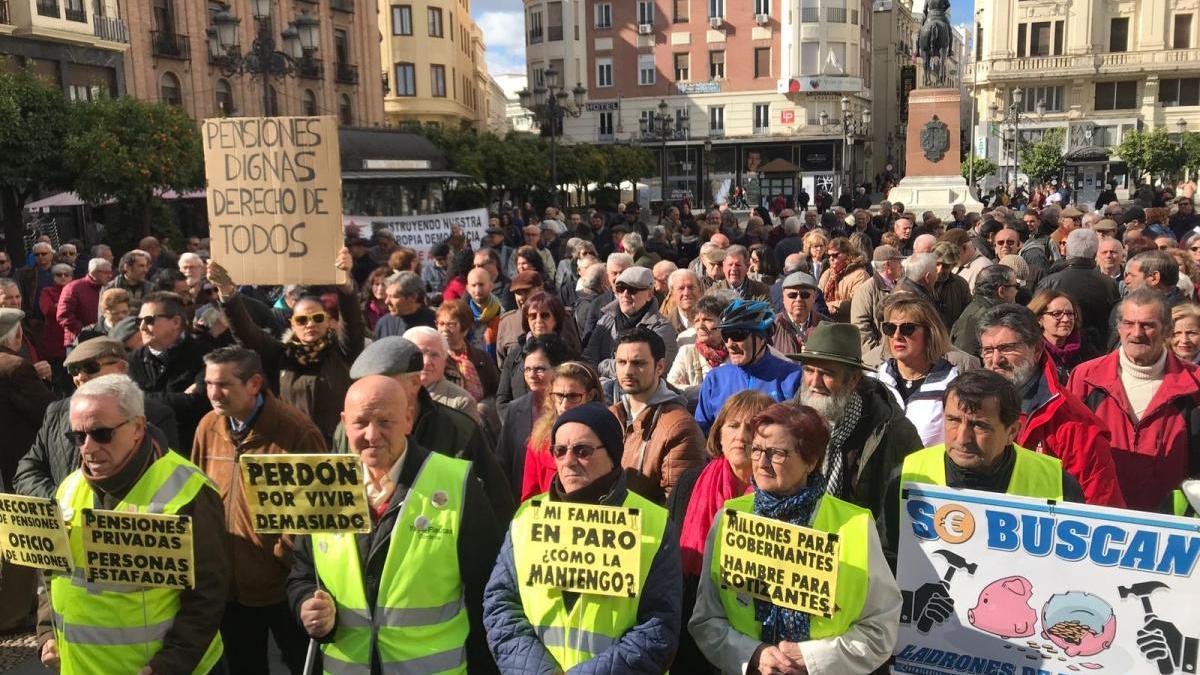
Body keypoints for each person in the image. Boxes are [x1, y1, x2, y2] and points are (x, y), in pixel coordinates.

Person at [288, 376, 503, 674]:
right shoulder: (324, 486)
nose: (372, 435)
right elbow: (303, 573)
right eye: (360, 422)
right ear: (343, 422)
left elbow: (487, 589)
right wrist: (305, 606)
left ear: (408, 419)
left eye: (385, 422)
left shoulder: (456, 483)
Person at [690, 403, 902, 674]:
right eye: (756, 450)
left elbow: (881, 628)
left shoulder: (855, 526)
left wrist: (812, 659)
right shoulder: (729, 518)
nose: (762, 463)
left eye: (777, 453)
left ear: (811, 462)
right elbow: (706, 620)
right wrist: (753, 654)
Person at [40, 374, 228, 675]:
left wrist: (169, 665)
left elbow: (208, 595)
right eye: (77, 436)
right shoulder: (69, 487)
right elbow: (53, 570)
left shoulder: (189, 490)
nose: (87, 447)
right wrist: (46, 631)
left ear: (138, 428)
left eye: (101, 434)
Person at [483, 402, 682, 674]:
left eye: (582, 451)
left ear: (612, 454)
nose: (568, 461)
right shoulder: (528, 516)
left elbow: (658, 627)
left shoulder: (653, 523)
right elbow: (500, 606)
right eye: (559, 451)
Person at [191, 347, 321, 674]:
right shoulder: (207, 426)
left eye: (223, 385)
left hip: (283, 583)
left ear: (254, 384)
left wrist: (283, 552)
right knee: (242, 665)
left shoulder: (296, 431)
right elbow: (197, 494)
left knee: (301, 662)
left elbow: (317, 507)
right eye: (208, 383)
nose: (213, 394)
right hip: (228, 585)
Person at [880, 370, 1085, 567]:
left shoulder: (1057, 483)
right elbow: (889, 560)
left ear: (1012, 431)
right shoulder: (907, 475)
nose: (962, 438)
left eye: (979, 426)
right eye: (953, 420)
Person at [332, 336, 515, 521]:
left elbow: (496, 506)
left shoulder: (458, 431)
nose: (371, 435)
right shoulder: (348, 431)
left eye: (386, 382)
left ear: (414, 382)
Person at [976, 304, 1126, 507]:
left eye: (1007, 348)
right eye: (988, 350)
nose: (996, 360)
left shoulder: (1074, 424)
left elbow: (1099, 511)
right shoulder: (968, 406)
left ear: (1037, 349)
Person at [209, 251, 365, 444]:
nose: (310, 324)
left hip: (336, 447)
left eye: (317, 318)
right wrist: (227, 294)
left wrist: (345, 284)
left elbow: (352, 321)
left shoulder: (343, 351)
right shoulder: (281, 354)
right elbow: (246, 333)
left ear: (327, 322)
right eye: (302, 320)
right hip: (292, 446)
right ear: (292, 324)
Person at [667, 391, 773, 671]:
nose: (741, 436)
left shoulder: (780, 497)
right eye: (733, 426)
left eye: (752, 427)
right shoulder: (689, 483)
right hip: (690, 625)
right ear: (719, 433)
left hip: (754, 635)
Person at [1069, 288, 1200, 511]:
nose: (1136, 333)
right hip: (1099, 520)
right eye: (1129, 323)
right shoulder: (1086, 377)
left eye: (1147, 325)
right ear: (1118, 327)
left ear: (1167, 330)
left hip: (1168, 525)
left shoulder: (1194, 384)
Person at [14, 337, 179, 499]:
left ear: (121, 368)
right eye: (74, 370)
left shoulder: (155, 414)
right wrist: (63, 501)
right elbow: (27, 471)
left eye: (90, 367)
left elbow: (163, 479)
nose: (81, 376)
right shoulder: (55, 413)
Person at [792, 322, 924, 513]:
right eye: (809, 371)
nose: (814, 382)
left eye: (826, 373)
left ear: (853, 380)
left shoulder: (890, 428)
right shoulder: (787, 421)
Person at [609, 327, 706, 503]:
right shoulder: (612, 416)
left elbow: (677, 507)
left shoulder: (679, 427)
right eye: (622, 362)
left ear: (660, 366)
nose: (628, 371)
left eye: (638, 363)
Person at [695, 300, 803, 434]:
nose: (729, 344)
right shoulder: (714, 379)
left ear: (762, 338)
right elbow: (701, 434)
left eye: (737, 335)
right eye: (725, 335)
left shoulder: (793, 377)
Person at [494, 334, 577, 503]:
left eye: (539, 369)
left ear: (558, 368)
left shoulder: (572, 408)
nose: (532, 375)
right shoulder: (515, 409)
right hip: (522, 503)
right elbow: (502, 462)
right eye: (527, 369)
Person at [872, 294, 964, 446]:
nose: (897, 336)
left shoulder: (952, 385)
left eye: (907, 329)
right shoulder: (875, 381)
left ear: (929, 333)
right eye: (890, 328)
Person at [127, 291, 213, 450]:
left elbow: (200, 403)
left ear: (175, 322)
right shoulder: (132, 361)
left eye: (149, 320)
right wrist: (181, 398)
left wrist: (143, 398)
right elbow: (127, 403)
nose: (142, 327)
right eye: (139, 321)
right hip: (146, 450)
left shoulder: (204, 356)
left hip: (191, 447)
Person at [520, 361, 604, 501]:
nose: (564, 405)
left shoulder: (606, 435)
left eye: (573, 396)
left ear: (591, 395)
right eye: (559, 396)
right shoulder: (539, 440)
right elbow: (530, 498)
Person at [1035, 228, 1120, 355]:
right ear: (1095, 253)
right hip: (1098, 349)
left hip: (1059, 349)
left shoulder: (1050, 282)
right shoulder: (1109, 283)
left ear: (1068, 249)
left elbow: (1035, 315)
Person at [584, 266, 678, 379]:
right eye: (620, 289)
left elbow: (651, 370)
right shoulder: (606, 320)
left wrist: (602, 365)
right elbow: (589, 358)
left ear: (649, 294)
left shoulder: (662, 328)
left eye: (632, 290)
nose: (625, 294)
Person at [497, 291, 574, 414]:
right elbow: (502, 400)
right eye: (532, 316)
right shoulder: (515, 355)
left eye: (544, 315)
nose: (538, 320)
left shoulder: (569, 356)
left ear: (556, 319)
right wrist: (516, 424)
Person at [437, 299, 502, 426]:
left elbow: (498, 391)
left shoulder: (481, 357)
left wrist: (483, 408)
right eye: (441, 324)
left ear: (465, 328)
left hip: (482, 424)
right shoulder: (436, 360)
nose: (444, 329)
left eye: (451, 324)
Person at [403, 325, 480, 423]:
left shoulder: (461, 403)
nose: (426, 362)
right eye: (420, 354)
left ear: (445, 360)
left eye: (434, 355)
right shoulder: (390, 393)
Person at [668, 294, 730, 401]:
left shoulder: (734, 353)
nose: (700, 326)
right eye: (696, 321)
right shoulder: (687, 352)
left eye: (707, 319)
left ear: (722, 322)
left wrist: (688, 389)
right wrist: (709, 389)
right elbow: (671, 389)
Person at [950, 264, 1019, 358]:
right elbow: (965, 359)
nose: (1017, 291)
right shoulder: (978, 317)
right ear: (1001, 291)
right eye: (1016, 286)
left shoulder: (986, 311)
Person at [852, 244, 905, 364]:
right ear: (888, 265)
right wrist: (875, 356)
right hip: (880, 359)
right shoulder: (866, 289)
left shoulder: (900, 285)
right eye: (898, 262)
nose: (901, 266)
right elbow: (860, 327)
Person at [1028, 289, 1096, 372]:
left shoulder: (1087, 350)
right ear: (1039, 318)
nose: (1066, 319)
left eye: (1070, 313)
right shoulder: (1031, 352)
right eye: (1057, 314)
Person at [56, 257, 112, 347]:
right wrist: (86, 330)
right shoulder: (74, 287)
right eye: (106, 273)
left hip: (104, 340)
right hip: (78, 342)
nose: (110, 276)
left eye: (110, 272)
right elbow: (63, 316)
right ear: (94, 272)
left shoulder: (109, 288)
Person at [770, 271, 829, 354]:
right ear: (783, 298)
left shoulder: (827, 327)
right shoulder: (770, 327)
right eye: (792, 295)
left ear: (814, 298)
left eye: (805, 295)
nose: (798, 299)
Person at [817, 236, 872, 322]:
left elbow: (857, 302)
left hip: (848, 325)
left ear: (848, 254)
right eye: (829, 255)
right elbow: (818, 296)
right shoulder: (828, 273)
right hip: (827, 322)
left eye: (835, 255)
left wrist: (832, 306)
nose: (831, 258)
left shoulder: (860, 275)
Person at [373, 270, 436, 339]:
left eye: (393, 297)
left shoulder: (435, 323)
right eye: (387, 295)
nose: (387, 302)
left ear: (413, 297)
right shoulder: (384, 324)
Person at [660, 268, 702, 336]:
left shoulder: (714, 319)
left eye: (691, 287)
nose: (686, 293)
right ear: (672, 294)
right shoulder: (664, 327)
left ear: (699, 289)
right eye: (681, 288)